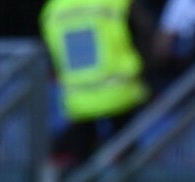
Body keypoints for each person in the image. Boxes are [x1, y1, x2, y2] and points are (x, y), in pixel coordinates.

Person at [39, 0, 151, 167]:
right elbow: (145, 34)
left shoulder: (53, 9)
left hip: (78, 96)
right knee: (128, 160)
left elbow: (51, 53)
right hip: (121, 91)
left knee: (81, 162)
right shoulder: (116, 3)